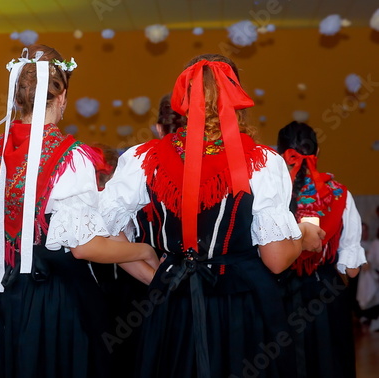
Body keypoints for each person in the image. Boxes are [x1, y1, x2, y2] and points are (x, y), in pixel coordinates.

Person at [99, 54, 325, 378]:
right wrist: (302, 235)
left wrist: (154, 273)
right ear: (236, 98)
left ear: (185, 98)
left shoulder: (145, 158)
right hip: (240, 307)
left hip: (173, 305)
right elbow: (275, 259)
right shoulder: (262, 162)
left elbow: (102, 232)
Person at [0, 44, 158, 378]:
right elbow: (85, 248)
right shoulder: (71, 158)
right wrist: (145, 248)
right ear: (61, 98)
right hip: (61, 304)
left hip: (6, 303)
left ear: (17, 99)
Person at [277, 121, 366, 378]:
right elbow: (351, 269)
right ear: (317, 153)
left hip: (281, 291)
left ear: (280, 154)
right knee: (330, 363)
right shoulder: (340, 194)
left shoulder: (271, 196)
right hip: (325, 294)